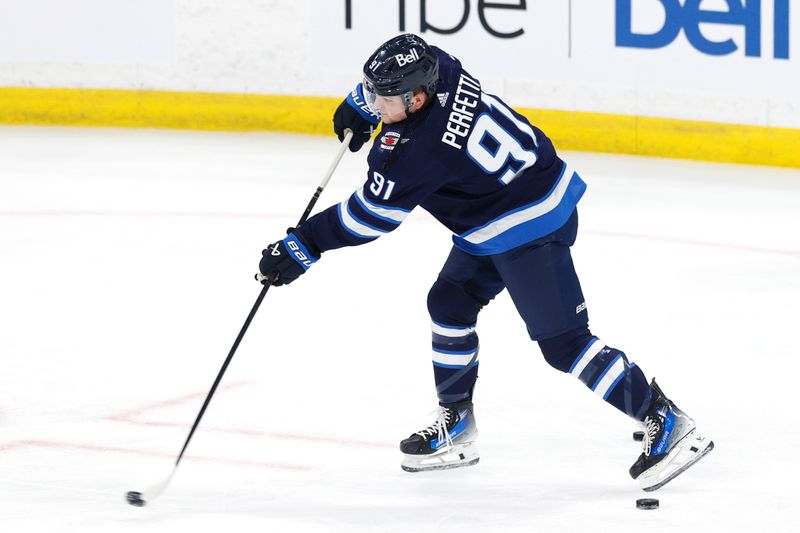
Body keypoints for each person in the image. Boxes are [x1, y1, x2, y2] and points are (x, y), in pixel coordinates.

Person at [258, 33, 713, 491]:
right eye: (371, 91)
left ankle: (664, 418)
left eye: (384, 98)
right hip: (512, 199)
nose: (376, 102)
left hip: (529, 226)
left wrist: (303, 245)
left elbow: (368, 218)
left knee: (564, 344)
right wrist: (361, 100)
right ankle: (457, 423)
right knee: (449, 303)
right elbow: (402, 75)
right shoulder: (442, 67)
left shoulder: (415, 152)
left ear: (416, 100)